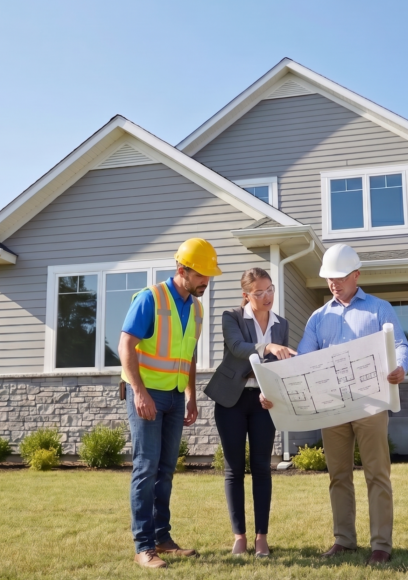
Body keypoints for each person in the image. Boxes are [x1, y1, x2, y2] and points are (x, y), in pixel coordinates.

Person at [265, 243, 408, 566]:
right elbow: (303, 361)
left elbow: (401, 345)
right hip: (332, 407)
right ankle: (344, 540)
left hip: (372, 404)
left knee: (377, 473)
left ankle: (381, 545)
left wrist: (400, 367)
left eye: (340, 277)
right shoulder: (318, 318)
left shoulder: (379, 309)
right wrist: (275, 385)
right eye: (329, 278)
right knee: (338, 475)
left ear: (356, 275)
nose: (333, 283)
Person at [118, 238, 222, 569]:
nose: (207, 280)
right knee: (146, 468)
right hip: (147, 395)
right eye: (202, 274)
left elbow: (187, 355)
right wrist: (139, 392)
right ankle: (143, 546)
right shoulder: (150, 298)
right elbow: (126, 345)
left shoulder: (197, 307)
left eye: (209, 275)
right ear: (182, 270)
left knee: (165, 469)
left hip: (176, 397)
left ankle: (162, 538)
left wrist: (190, 394)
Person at [204, 268, 296, 558]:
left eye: (269, 289)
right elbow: (237, 347)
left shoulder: (281, 323)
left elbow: (279, 367)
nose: (267, 296)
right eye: (259, 292)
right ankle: (239, 537)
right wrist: (267, 345)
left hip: (262, 402)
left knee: (261, 468)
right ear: (246, 295)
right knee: (234, 469)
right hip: (231, 399)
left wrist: (275, 394)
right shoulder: (231, 316)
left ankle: (261, 538)